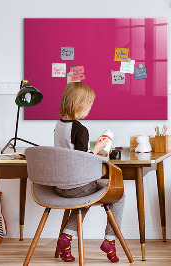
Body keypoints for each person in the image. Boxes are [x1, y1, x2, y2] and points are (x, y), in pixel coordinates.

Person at [54, 82, 124, 263]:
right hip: (77, 186)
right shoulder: (80, 129)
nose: (90, 109)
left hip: (60, 186)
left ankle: (66, 238)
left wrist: (93, 149)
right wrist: (99, 148)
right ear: (80, 104)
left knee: (84, 197)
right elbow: (82, 161)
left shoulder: (59, 125)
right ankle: (110, 240)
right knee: (119, 194)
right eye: (89, 105)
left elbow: (71, 154)